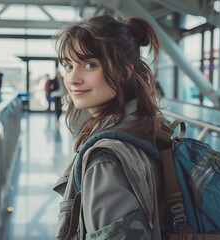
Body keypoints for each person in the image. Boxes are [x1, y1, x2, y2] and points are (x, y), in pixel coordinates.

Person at [53, 15, 166, 239]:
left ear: (124, 71)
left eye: (89, 65)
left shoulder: (106, 161)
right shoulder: (148, 128)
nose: (73, 79)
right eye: (68, 66)